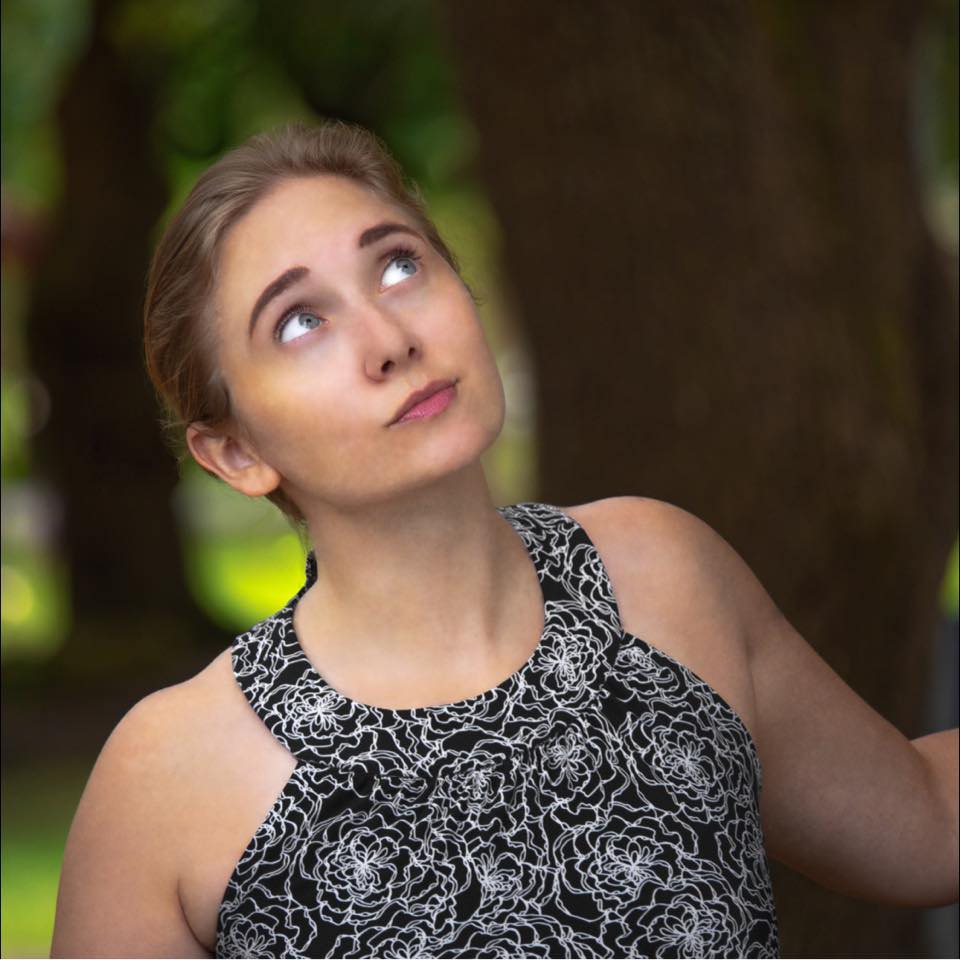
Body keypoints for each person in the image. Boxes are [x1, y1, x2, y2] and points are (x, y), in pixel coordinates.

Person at [50, 121, 958, 959]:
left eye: (398, 265)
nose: (389, 339)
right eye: (300, 321)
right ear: (236, 452)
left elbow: (927, 819)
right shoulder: (169, 775)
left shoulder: (662, 574)